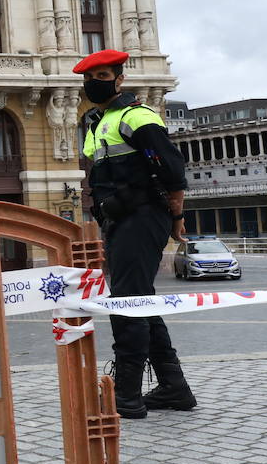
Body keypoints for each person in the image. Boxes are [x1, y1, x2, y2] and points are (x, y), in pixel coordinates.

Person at [76, 49, 196, 418]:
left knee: (127, 304)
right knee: (140, 299)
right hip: (120, 219)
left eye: (102, 77)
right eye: (89, 78)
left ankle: (126, 395)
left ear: (119, 78)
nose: (94, 84)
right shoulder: (98, 122)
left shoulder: (137, 115)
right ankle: (174, 388)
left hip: (143, 216)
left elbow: (173, 171)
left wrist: (175, 218)